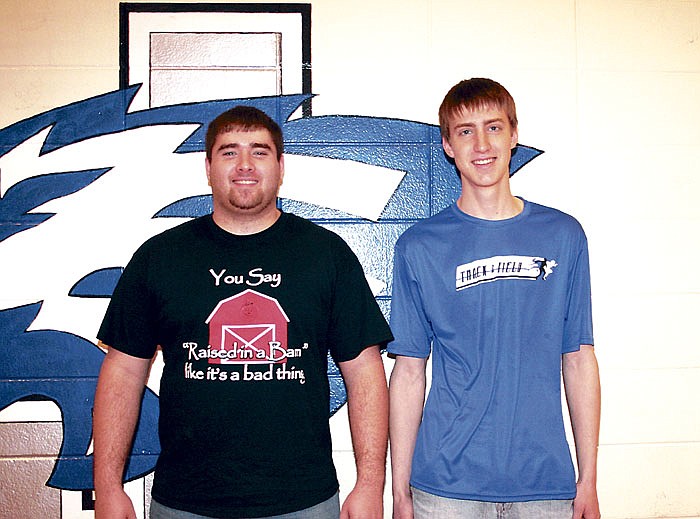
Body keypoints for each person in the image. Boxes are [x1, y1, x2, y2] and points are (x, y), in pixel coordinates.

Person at [93, 105, 393, 519]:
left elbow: (364, 372)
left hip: (303, 502)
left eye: (260, 151)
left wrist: (371, 485)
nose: (245, 165)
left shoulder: (326, 255)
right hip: (184, 504)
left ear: (281, 165)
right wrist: (107, 487)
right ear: (208, 166)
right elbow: (123, 372)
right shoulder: (160, 258)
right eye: (230, 152)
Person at [388, 78, 601, 519]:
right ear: (447, 144)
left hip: (544, 485)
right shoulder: (419, 245)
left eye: (494, 127)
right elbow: (408, 372)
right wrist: (400, 490)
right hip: (445, 488)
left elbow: (578, 358)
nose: (481, 144)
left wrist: (589, 480)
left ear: (514, 135)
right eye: (465, 131)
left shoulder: (563, 235)